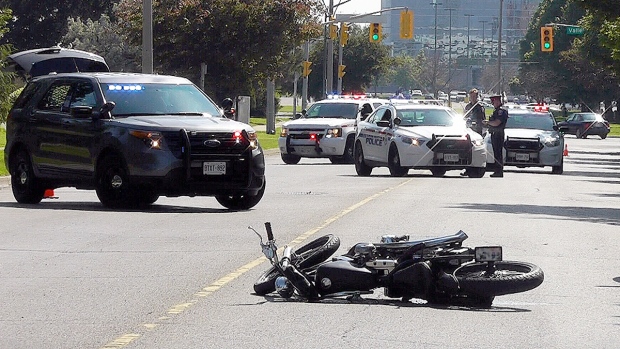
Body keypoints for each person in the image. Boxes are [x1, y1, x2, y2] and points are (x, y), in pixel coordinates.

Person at [460, 88, 486, 177]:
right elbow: (464, 117)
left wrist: (476, 123)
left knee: (475, 151)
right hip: (468, 131)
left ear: (477, 96)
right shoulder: (468, 106)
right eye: (471, 96)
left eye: (474, 96)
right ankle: (467, 169)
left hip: (477, 131)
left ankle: (476, 168)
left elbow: (482, 119)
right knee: (467, 150)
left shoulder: (479, 107)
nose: (472, 98)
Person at [483, 94, 509, 178]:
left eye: (493, 102)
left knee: (498, 153)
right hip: (495, 133)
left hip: (498, 134)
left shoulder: (501, 111)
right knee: (496, 153)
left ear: (497, 101)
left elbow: (497, 122)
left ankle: (499, 171)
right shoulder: (497, 110)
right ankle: (497, 170)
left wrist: (487, 122)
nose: (493, 104)